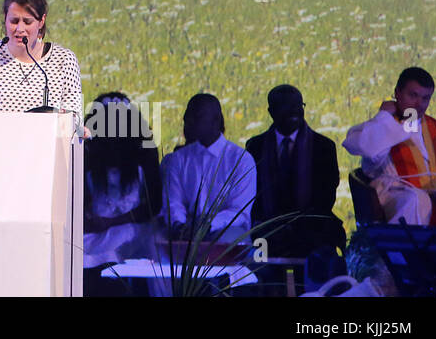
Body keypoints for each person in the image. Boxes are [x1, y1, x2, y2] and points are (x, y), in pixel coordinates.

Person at [343, 66, 436, 227]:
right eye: (413, 95)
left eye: (425, 98)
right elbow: (367, 148)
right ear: (397, 93)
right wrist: (384, 116)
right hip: (396, 194)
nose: (419, 104)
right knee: (416, 200)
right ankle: (404, 252)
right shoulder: (384, 124)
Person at [245, 85, 345, 264]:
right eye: (286, 106)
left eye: (298, 106)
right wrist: (274, 227)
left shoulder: (324, 146)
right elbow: (253, 197)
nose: (294, 112)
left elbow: (326, 198)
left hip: (311, 229)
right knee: (255, 259)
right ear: (271, 111)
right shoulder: (255, 147)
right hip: (268, 230)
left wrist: (296, 227)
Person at [0, 0, 84, 126]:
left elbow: (75, 119)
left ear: (41, 21)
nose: (20, 29)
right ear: (5, 18)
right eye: (14, 21)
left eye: (27, 22)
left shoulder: (64, 59)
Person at [160, 93, 255, 243]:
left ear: (216, 121)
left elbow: (239, 212)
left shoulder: (241, 159)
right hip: (186, 228)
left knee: (227, 241)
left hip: (225, 228)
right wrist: (179, 225)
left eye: (196, 117)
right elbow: (173, 202)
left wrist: (208, 225)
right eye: (187, 117)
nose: (189, 122)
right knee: (154, 241)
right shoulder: (178, 159)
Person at [82, 93, 161, 274]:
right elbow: (80, 197)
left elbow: (153, 205)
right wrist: (89, 217)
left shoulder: (145, 152)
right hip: (96, 228)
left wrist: (114, 221)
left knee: (116, 244)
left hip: (131, 227)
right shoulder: (87, 151)